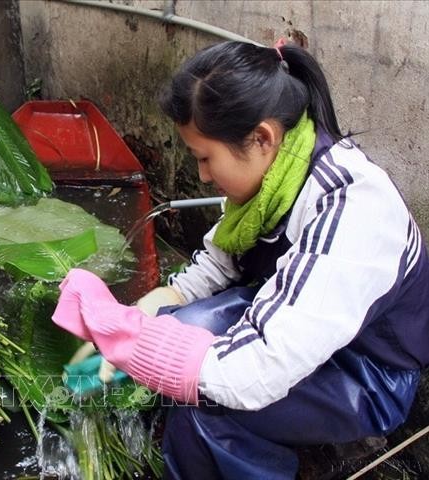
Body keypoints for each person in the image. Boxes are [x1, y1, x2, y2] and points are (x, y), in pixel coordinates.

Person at [52, 40, 429, 479]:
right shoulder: (276, 177)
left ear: (262, 138)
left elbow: (253, 373)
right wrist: (131, 324)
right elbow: (212, 269)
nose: (203, 176)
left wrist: (134, 344)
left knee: (206, 409)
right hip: (299, 331)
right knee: (177, 328)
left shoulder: (353, 209)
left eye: (205, 158)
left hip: (366, 373)